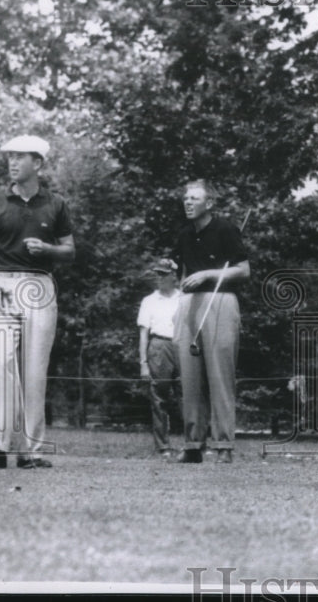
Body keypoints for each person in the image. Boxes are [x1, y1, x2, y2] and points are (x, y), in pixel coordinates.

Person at [0, 135, 75, 469]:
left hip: (40, 286)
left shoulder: (55, 204)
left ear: (38, 164)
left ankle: (31, 451)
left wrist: (47, 250)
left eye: (19, 157)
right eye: (9, 158)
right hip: (2, 285)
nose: (12, 163)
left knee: (35, 370)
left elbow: (70, 249)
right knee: (1, 365)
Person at [172, 180, 250, 464]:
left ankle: (223, 445)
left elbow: (243, 270)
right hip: (189, 304)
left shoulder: (226, 229)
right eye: (185, 198)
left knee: (219, 376)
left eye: (194, 198)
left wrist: (207, 274)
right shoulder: (183, 234)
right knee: (190, 378)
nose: (188, 203)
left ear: (209, 203)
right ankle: (193, 445)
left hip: (220, 302)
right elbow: (180, 272)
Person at [137, 258, 182, 459]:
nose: (159, 278)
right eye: (158, 274)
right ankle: (163, 446)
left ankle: (194, 443)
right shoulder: (149, 301)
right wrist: (143, 364)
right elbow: (143, 334)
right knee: (159, 397)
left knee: (188, 395)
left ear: (174, 275)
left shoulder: (184, 298)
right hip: (158, 346)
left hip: (181, 345)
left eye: (164, 274)